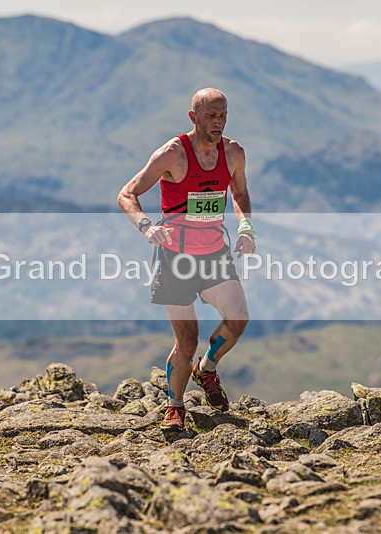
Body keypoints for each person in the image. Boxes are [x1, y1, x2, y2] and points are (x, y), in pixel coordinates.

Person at [117, 88, 256, 431]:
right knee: (187, 340)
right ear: (193, 117)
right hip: (175, 258)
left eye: (223, 115)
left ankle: (206, 369)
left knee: (238, 320)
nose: (219, 122)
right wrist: (147, 226)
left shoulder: (234, 152)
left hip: (214, 253)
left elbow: (238, 192)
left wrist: (246, 226)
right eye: (212, 116)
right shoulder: (172, 154)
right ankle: (175, 405)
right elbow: (127, 194)